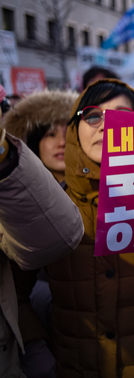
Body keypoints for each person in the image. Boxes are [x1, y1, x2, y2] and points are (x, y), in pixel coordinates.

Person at [19, 79, 134, 377]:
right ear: (74, 130)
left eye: (122, 115)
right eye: (93, 115)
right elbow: (13, 293)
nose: (105, 125)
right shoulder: (47, 207)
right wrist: (37, 350)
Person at [0, 84, 84, 377]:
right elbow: (15, 294)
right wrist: (37, 345)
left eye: (68, 133)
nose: (61, 142)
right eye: (50, 134)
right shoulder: (14, 203)